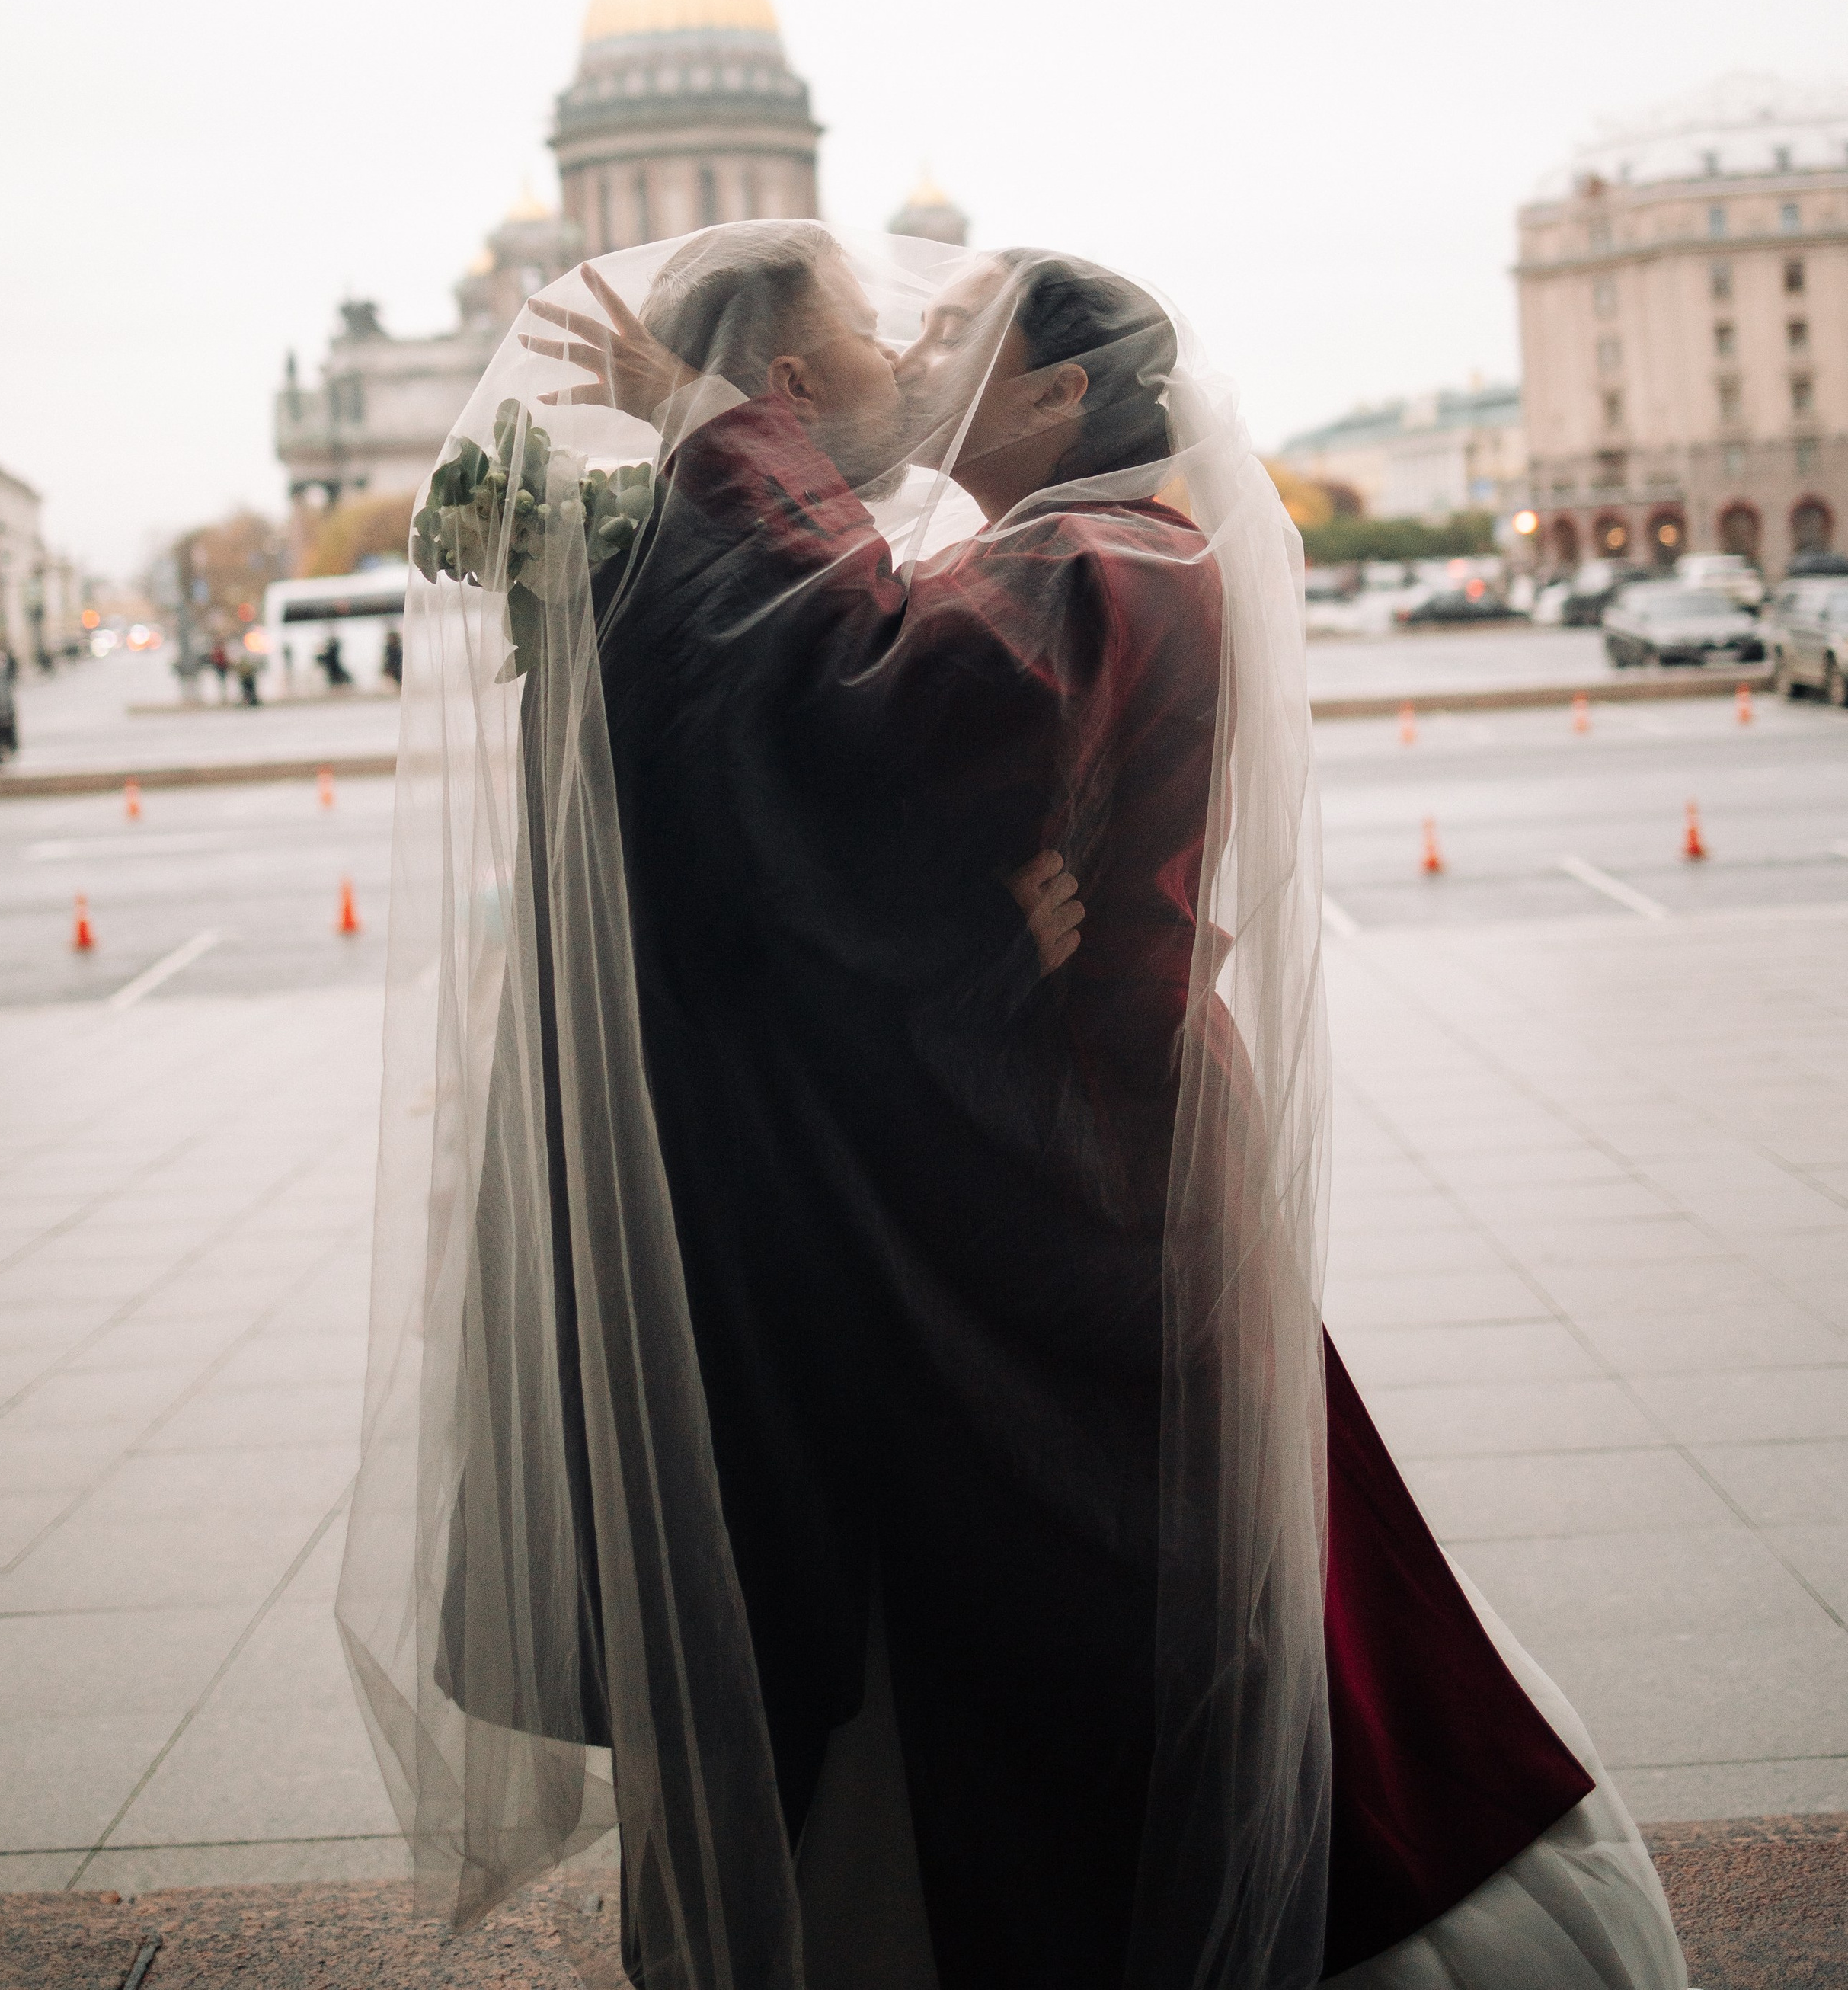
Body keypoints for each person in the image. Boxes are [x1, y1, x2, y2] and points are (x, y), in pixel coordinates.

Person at [337, 226, 1688, 1990]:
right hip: (1033, 1185)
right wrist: (962, 920)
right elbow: (848, 780)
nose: (919, 342)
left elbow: (891, 723)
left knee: (1170, 1629)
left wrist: (708, 435)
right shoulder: (1026, 548)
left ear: (1053, 393)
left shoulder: (1113, 550)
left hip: (1088, 1188)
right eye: (894, 325)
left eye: (958, 332)